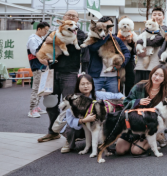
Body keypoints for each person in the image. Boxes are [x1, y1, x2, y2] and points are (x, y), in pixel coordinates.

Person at [37, 10, 89, 143]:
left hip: (70, 73)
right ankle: (53, 132)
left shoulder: (81, 34)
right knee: (50, 103)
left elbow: (78, 48)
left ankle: (70, 134)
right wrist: (41, 58)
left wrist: (54, 40)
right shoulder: (54, 32)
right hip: (52, 72)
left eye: (74, 16)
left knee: (69, 104)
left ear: (77, 20)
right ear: (63, 19)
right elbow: (40, 48)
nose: (71, 17)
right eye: (68, 15)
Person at [60, 74, 124, 153]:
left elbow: (117, 95)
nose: (85, 86)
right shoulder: (73, 100)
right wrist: (84, 120)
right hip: (80, 128)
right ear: (78, 86)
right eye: (82, 84)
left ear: (92, 85)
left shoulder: (98, 95)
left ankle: (99, 140)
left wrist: (125, 99)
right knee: (70, 129)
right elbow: (70, 121)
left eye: (88, 83)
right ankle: (69, 142)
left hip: (94, 125)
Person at [116, 65, 167, 156]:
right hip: (133, 124)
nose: (157, 77)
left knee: (136, 151)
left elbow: (165, 113)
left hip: (149, 128)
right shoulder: (139, 86)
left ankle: (156, 137)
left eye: (161, 76)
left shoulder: (164, 92)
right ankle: (136, 141)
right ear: (151, 74)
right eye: (155, 74)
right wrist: (138, 102)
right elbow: (125, 103)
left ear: (164, 79)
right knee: (120, 150)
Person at [87, 16, 131, 93]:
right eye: (106, 26)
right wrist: (105, 37)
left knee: (113, 99)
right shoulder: (92, 38)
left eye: (110, 26)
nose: (109, 28)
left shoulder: (116, 39)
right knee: (93, 98)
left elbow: (127, 53)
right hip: (96, 76)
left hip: (113, 77)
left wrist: (121, 64)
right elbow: (92, 48)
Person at [134, 7, 166, 84]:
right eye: (154, 14)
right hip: (141, 65)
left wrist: (139, 41)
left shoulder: (164, 29)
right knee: (138, 88)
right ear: (151, 17)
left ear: (163, 17)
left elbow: (155, 41)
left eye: (159, 15)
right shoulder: (146, 29)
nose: (156, 16)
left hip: (155, 66)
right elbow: (136, 46)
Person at [26, 21, 50, 118]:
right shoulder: (33, 39)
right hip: (37, 66)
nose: (46, 32)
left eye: (47, 31)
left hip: (42, 66)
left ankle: (36, 107)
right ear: (39, 29)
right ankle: (32, 109)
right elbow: (36, 52)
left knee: (40, 88)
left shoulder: (40, 38)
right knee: (36, 88)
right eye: (45, 30)